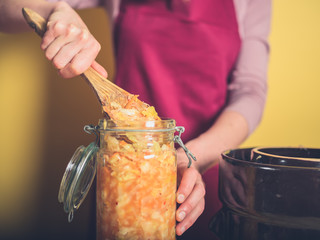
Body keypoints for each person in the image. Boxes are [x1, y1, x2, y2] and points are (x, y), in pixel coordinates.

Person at [0, 0, 271, 239]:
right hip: (123, 169)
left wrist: (193, 158)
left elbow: (250, 91)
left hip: (203, 169)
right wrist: (55, 8)